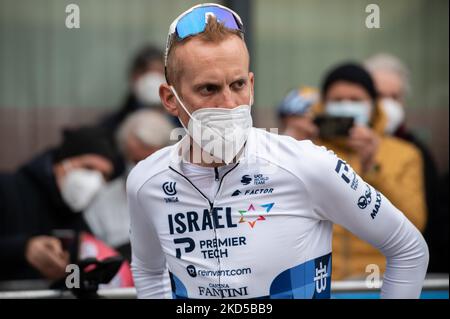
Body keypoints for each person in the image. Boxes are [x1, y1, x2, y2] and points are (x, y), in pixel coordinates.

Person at [127, 3, 429, 299]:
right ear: (170, 98)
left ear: (252, 85)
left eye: (237, 84)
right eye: (208, 89)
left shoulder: (307, 165)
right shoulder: (146, 181)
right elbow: (149, 271)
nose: (230, 104)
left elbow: (408, 249)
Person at [280, 64, 428, 279]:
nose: (346, 106)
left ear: (373, 106)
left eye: (356, 100)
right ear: (323, 105)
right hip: (320, 280)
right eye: (337, 100)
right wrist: (289, 144)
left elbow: (415, 223)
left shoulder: (404, 154)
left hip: (380, 282)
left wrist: (373, 165)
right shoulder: (309, 149)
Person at [0, 126, 115, 282]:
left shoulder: (77, 219)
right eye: (88, 167)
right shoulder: (7, 188)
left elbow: (71, 281)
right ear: (62, 163)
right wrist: (23, 249)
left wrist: (84, 275)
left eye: (104, 175)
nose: (95, 180)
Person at [364, 54, 442, 272]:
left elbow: (424, 221)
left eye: (395, 97)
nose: (387, 104)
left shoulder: (417, 152)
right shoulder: (342, 148)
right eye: (380, 96)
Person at [84, 110, 175, 261]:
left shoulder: (190, 196)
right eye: (135, 160)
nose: (142, 168)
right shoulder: (102, 201)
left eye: (151, 159)